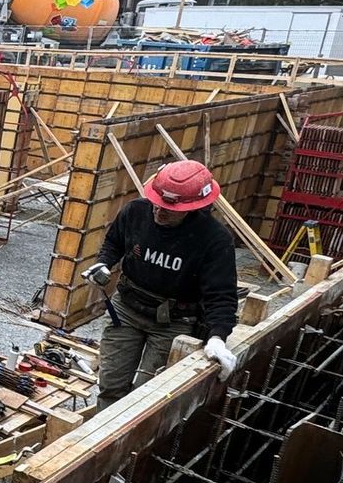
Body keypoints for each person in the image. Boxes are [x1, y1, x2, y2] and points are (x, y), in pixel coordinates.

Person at [84, 160, 241, 406]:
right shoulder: (135, 212)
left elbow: (221, 295)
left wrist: (217, 338)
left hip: (173, 322)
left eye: (170, 208)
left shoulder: (213, 239)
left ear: (192, 207)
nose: (159, 211)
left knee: (148, 396)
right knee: (111, 384)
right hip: (126, 309)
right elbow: (114, 242)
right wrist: (104, 263)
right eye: (157, 204)